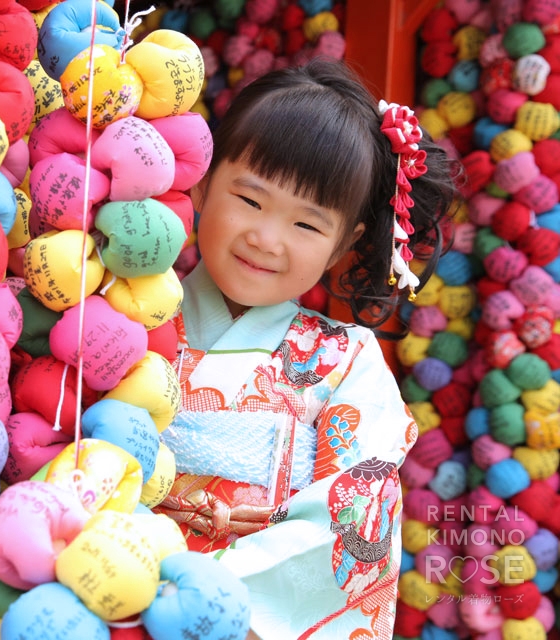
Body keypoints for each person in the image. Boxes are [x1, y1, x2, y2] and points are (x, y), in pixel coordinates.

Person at [152, 59, 459, 639]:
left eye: (308, 226)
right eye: (250, 199)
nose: (267, 240)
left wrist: (195, 600)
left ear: (346, 242)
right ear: (202, 181)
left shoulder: (347, 367)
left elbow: (347, 527)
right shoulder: (123, 316)